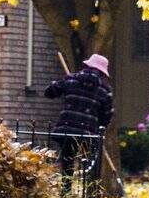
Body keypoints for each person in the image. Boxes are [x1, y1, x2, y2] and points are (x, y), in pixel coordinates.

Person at [45, 52, 113, 183]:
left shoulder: (71, 79)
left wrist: (59, 83)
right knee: (90, 164)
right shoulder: (104, 90)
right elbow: (107, 116)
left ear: (87, 66)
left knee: (67, 163)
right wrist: (100, 126)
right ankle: (87, 192)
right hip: (88, 134)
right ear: (103, 73)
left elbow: (49, 92)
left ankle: (66, 191)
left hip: (66, 129)